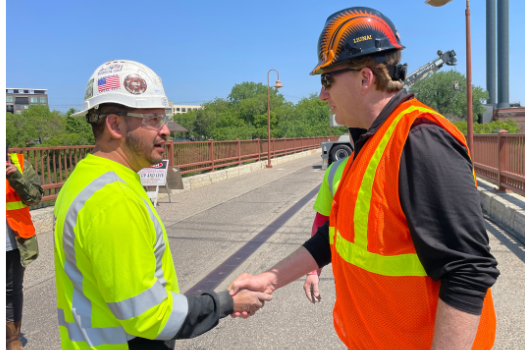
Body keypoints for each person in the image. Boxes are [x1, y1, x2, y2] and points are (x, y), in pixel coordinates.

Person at [229, 7, 499, 350]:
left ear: (364, 78)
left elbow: (468, 271)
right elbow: (337, 237)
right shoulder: (370, 143)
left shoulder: (420, 140)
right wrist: (268, 278)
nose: (322, 94)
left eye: (327, 80)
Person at [54, 60, 271, 350]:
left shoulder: (86, 178)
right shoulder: (113, 200)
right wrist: (226, 303)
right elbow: (148, 315)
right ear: (115, 124)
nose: (166, 130)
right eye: (154, 119)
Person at [303, 128, 364, 303]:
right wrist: (313, 269)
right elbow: (321, 224)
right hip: (349, 282)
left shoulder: (402, 166)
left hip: (398, 290)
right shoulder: (335, 171)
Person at [6, 147, 43, 350]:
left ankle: (12, 340)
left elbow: (35, 197)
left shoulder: (19, 163)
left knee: (11, 291)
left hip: (13, 242)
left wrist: (16, 178)